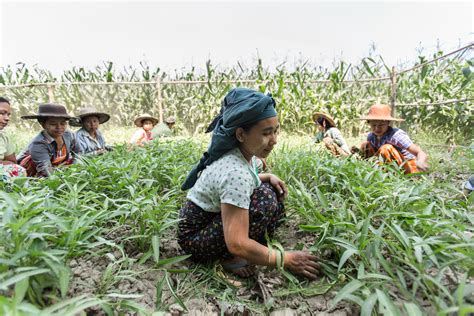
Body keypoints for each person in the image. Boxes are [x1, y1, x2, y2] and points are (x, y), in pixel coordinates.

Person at [178, 87, 320, 279]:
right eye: (266, 133)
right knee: (264, 200)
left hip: (208, 222)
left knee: (269, 191)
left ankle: (252, 248)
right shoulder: (235, 173)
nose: (274, 140)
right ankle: (228, 258)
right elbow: (236, 242)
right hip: (196, 238)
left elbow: (242, 180)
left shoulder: (244, 155)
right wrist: (285, 259)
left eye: (276, 131)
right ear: (241, 135)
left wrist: (266, 176)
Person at [356, 103, 428, 174]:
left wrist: (421, 162)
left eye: (381, 125)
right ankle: (372, 172)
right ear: (369, 124)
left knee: (386, 148)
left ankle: (395, 176)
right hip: (386, 165)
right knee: (365, 145)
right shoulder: (371, 137)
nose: (377, 128)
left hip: (407, 167)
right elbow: (375, 155)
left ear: (388, 123)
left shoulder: (396, 135)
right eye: (374, 125)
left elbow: (420, 152)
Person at [17, 103, 76, 177]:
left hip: (58, 167)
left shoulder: (68, 134)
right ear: (43, 124)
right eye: (53, 124)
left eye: (63, 123)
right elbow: (45, 170)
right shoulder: (38, 144)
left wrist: (75, 170)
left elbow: (78, 153)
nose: (59, 127)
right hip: (35, 169)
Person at [0, 97, 27, 180]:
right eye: (2, 113)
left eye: (8, 114)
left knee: (18, 170)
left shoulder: (4, 137)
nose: (7, 118)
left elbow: (12, 163)